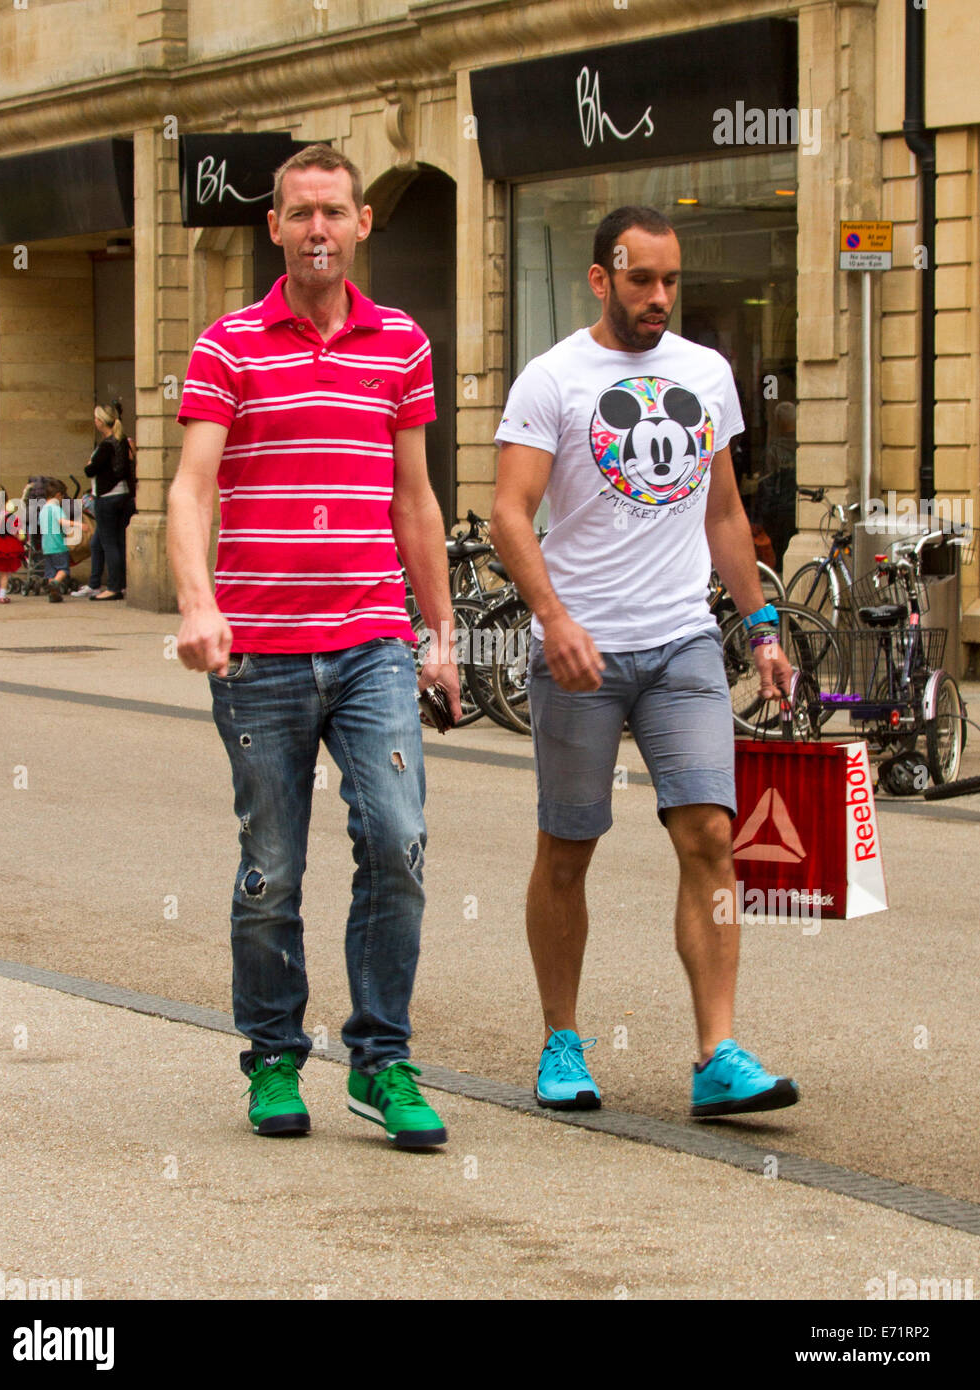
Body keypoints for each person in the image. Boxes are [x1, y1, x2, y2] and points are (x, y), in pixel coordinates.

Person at [169, 143, 460, 1148]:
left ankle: (382, 1058)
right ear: (276, 228)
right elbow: (189, 487)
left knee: (397, 837)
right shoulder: (229, 344)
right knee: (273, 865)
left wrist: (441, 631)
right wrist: (199, 603)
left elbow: (414, 498)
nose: (319, 228)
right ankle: (274, 1056)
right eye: (301, 213)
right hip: (258, 653)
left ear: (362, 222)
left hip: (374, 636)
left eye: (335, 211)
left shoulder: (403, 345)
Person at [490, 205, 800, 1119]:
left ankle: (715, 1053)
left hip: (683, 646)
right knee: (568, 847)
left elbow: (722, 515)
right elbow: (511, 511)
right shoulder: (553, 378)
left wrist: (765, 629)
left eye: (670, 280)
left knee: (708, 835)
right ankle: (561, 1043)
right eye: (640, 281)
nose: (658, 296)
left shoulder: (704, 373)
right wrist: (553, 619)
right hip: (581, 653)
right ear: (601, 279)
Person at [84, 402, 133, 600]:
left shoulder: (105, 445)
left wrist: (90, 464)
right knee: (117, 541)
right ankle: (117, 584)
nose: (94, 422)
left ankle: (113, 587)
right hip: (123, 496)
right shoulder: (121, 441)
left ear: (101, 422)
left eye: (96, 418)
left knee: (109, 543)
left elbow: (90, 470)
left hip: (106, 497)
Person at [753, 400, 797, 571]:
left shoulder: (774, 448)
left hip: (779, 508)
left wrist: (762, 514)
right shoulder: (801, 444)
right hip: (795, 505)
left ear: (778, 422)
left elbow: (768, 482)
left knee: (777, 552)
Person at [39, 479, 74, 602]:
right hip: (58, 545)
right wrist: (78, 525)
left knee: (51, 572)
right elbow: (62, 522)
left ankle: (53, 594)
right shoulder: (56, 509)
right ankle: (54, 584)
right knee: (63, 569)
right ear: (58, 495)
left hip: (46, 546)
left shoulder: (43, 510)